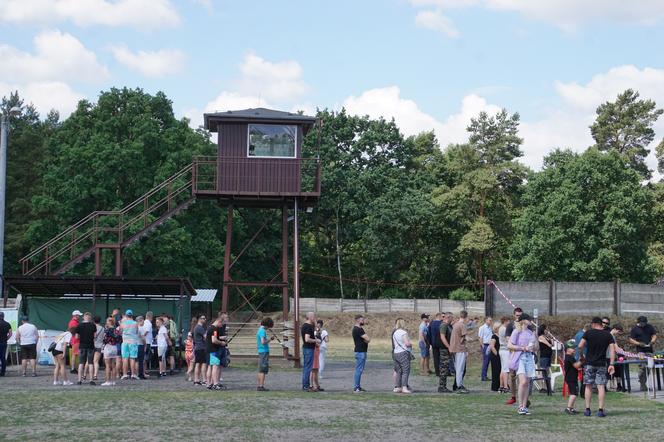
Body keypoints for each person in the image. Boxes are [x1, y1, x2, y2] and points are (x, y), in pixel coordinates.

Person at [578, 317, 615, 417]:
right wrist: (611, 364)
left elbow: (580, 346)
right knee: (601, 386)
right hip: (601, 363)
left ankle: (587, 409)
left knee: (588, 385)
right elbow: (612, 350)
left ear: (593, 324)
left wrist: (581, 356)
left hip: (589, 363)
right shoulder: (608, 335)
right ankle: (600, 410)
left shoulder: (588, 333)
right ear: (601, 324)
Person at [508, 313, 538, 415]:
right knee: (523, 381)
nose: (531, 321)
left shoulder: (530, 332)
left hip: (529, 357)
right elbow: (510, 345)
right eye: (529, 319)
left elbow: (536, 348)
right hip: (519, 357)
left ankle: (524, 406)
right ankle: (520, 406)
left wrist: (535, 339)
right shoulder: (517, 331)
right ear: (524, 320)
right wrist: (522, 348)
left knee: (528, 382)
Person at [629, 316, 657, 391]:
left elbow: (654, 335)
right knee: (642, 367)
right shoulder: (635, 329)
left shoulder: (649, 327)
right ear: (638, 322)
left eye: (644, 323)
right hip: (640, 351)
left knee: (650, 366)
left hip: (649, 350)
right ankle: (642, 383)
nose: (643, 324)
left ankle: (643, 381)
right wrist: (638, 343)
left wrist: (652, 341)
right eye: (641, 323)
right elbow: (631, 339)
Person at [449, 310, 469, 394]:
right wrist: (474, 339)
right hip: (460, 349)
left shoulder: (455, 324)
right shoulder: (462, 325)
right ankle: (458, 386)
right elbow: (464, 338)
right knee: (460, 369)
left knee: (458, 368)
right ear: (466, 317)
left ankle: (458, 384)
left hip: (454, 348)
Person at [206, 314, 227, 390]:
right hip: (213, 350)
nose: (221, 326)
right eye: (221, 324)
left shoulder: (210, 327)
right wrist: (222, 343)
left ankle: (209, 383)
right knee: (215, 366)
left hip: (209, 350)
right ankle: (215, 384)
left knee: (211, 367)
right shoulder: (214, 329)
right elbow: (214, 340)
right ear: (218, 322)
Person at [392, 318, 413, 394]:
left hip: (396, 353)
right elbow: (407, 343)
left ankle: (398, 387)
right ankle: (404, 387)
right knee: (405, 371)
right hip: (403, 352)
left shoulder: (395, 333)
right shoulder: (403, 332)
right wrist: (411, 344)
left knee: (398, 371)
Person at [75, 312, 97, 385]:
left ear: (83, 317)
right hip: (90, 346)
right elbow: (95, 336)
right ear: (90, 318)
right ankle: (91, 380)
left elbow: (76, 337)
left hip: (82, 346)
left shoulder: (79, 325)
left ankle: (79, 380)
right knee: (90, 363)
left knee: (81, 363)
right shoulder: (93, 325)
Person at [301, 312, 319, 392]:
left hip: (307, 349)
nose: (315, 318)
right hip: (308, 349)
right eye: (314, 317)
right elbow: (307, 339)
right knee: (308, 368)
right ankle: (306, 386)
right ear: (310, 317)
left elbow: (316, 331)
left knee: (307, 367)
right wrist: (316, 340)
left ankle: (306, 385)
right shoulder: (307, 326)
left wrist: (315, 324)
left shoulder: (308, 326)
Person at [119, 310, 139, 380]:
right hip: (133, 342)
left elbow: (120, 332)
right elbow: (136, 332)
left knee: (125, 358)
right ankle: (133, 374)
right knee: (132, 358)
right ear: (132, 315)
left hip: (125, 342)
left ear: (126, 315)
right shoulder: (135, 323)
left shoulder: (122, 323)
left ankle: (125, 374)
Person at [352, 315, 370, 393]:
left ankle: (358, 386)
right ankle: (356, 387)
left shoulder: (359, 329)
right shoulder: (358, 329)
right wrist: (367, 340)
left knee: (359, 370)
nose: (363, 321)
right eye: (362, 320)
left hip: (361, 351)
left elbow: (366, 339)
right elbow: (368, 339)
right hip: (360, 352)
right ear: (357, 320)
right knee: (358, 370)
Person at [563, 339, 582, 414]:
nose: (574, 349)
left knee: (573, 393)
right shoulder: (569, 357)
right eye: (572, 348)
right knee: (574, 393)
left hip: (572, 378)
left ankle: (572, 408)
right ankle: (568, 408)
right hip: (571, 378)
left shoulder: (570, 357)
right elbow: (576, 366)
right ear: (567, 349)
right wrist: (581, 361)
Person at [101, 317, 121, 386]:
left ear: (109, 322)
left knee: (107, 365)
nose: (106, 322)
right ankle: (113, 381)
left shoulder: (107, 330)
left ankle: (107, 381)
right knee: (113, 365)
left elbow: (104, 340)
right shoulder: (116, 330)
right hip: (114, 347)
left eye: (107, 321)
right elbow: (119, 339)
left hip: (108, 347)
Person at [256, 317, 275, 391]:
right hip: (263, 351)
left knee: (260, 369)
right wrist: (270, 339)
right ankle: (261, 386)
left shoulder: (260, 330)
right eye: (269, 327)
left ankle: (259, 385)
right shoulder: (262, 331)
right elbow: (263, 342)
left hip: (261, 351)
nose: (268, 328)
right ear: (267, 325)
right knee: (263, 369)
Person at [437, 312, 453, 393]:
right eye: (451, 318)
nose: (452, 319)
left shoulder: (449, 326)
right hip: (444, 349)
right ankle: (442, 387)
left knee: (445, 368)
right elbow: (442, 337)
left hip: (447, 349)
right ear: (448, 317)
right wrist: (448, 346)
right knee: (444, 368)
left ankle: (443, 386)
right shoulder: (444, 325)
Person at [609, 324, 625, 391]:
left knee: (618, 371)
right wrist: (622, 351)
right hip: (610, 356)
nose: (618, 334)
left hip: (614, 356)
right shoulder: (610, 336)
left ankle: (618, 385)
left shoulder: (613, 336)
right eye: (618, 332)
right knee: (612, 372)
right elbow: (615, 347)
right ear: (614, 329)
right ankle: (612, 386)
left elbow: (616, 347)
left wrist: (621, 350)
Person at [193, 314, 207, 386]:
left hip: (198, 347)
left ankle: (197, 380)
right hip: (201, 347)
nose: (205, 319)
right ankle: (204, 380)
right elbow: (206, 337)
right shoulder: (199, 328)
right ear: (199, 319)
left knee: (198, 364)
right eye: (203, 318)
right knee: (203, 364)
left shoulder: (197, 327)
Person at [538, 324, 553, 391]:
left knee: (547, 371)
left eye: (547, 329)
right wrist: (550, 341)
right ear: (542, 330)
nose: (547, 331)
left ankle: (547, 387)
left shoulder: (546, 337)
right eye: (546, 329)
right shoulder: (541, 337)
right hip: (544, 356)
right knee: (542, 370)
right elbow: (549, 345)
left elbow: (552, 344)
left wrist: (551, 337)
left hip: (548, 355)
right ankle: (542, 387)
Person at [498, 316, 511, 393]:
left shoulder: (500, 328)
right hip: (505, 350)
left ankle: (501, 386)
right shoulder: (504, 329)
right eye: (508, 321)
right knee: (506, 369)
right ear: (505, 321)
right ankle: (506, 386)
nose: (509, 323)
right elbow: (507, 339)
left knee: (503, 369)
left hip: (502, 350)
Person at [478, 316, 493, 381]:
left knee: (489, 361)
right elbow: (480, 337)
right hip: (485, 345)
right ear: (486, 320)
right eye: (489, 320)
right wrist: (483, 346)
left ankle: (486, 375)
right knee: (486, 361)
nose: (490, 322)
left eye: (491, 320)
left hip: (491, 345)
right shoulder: (482, 328)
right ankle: (483, 376)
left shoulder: (490, 328)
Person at [428, 313, 443, 378]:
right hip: (441, 343)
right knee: (441, 358)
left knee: (435, 358)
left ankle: (437, 372)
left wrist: (430, 342)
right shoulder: (441, 324)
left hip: (433, 343)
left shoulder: (431, 323)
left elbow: (428, 334)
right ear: (439, 317)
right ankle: (442, 371)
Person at [311, 321, 324, 392]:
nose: (318, 327)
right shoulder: (313, 333)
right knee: (313, 370)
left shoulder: (318, 333)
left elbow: (320, 341)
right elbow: (316, 341)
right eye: (316, 326)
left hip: (317, 351)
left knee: (316, 370)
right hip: (314, 351)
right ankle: (312, 385)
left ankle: (317, 385)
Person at [489, 323, 502, 392]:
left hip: (500, 355)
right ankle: (495, 386)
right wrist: (497, 354)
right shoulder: (494, 336)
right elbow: (492, 346)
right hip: (495, 356)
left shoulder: (500, 336)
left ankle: (501, 384)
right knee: (496, 371)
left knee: (500, 370)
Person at [0, 311, 12, 377]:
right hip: (4, 343)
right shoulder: (7, 324)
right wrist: (6, 339)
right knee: (3, 357)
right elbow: (10, 334)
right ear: (3, 316)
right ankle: (3, 373)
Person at [92, 316, 104, 381]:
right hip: (99, 346)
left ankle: (85, 375)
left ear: (93, 321)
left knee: (89, 361)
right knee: (96, 362)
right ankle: (95, 375)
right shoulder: (103, 328)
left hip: (92, 345)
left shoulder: (91, 327)